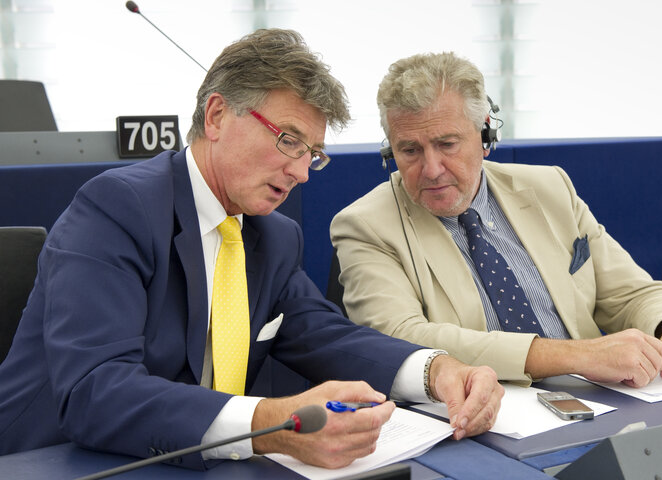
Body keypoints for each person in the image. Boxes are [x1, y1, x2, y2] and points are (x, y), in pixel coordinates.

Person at [0, 31, 503, 470]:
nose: (302, 172)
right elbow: (95, 393)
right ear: (217, 115)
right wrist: (269, 425)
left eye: (312, 153)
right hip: (65, 460)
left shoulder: (272, 235)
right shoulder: (117, 208)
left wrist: (437, 370)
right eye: (288, 140)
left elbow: (324, 335)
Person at [330, 51, 662, 388]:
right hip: (480, 417)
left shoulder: (549, 187)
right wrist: (574, 355)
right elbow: (401, 339)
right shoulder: (365, 225)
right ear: (390, 153)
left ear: (485, 137)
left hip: (598, 402)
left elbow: (629, 292)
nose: (431, 168)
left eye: (447, 144)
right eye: (410, 150)